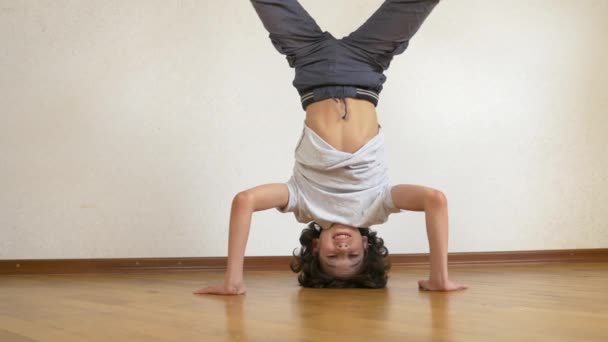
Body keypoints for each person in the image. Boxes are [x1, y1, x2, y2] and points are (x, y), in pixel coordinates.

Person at [194, 0, 467, 295]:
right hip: (367, 63)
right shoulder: (378, 206)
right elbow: (434, 200)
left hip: (311, 63)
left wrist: (233, 280)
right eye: (352, 255)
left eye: (332, 256)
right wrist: (439, 277)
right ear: (365, 245)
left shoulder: (302, 202)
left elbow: (244, 201)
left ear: (314, 247)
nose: (343, 247)